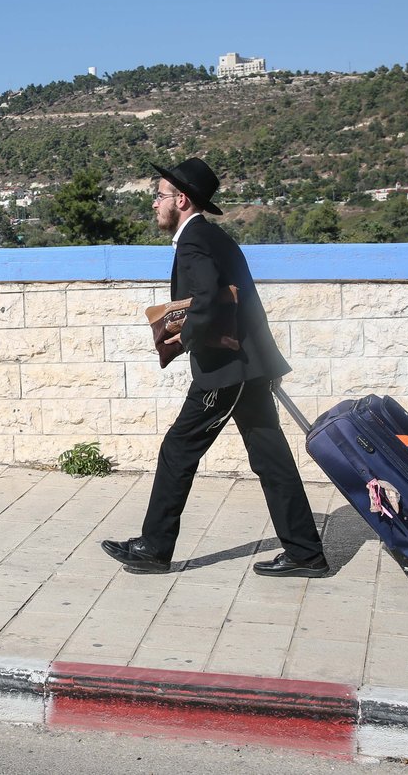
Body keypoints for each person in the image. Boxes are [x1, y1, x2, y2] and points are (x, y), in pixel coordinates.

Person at [102, 158, 328, 578]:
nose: (154, 203)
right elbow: (235, 299)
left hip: (227, 372)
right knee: (271, 459)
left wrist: (180, 339)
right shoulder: (212, 237)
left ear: (181, 200)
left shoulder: (194, 242)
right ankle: (305, 552)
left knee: (177, 450)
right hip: (246, 367)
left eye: (159, 195)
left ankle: (154, 547)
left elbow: (205, 298)